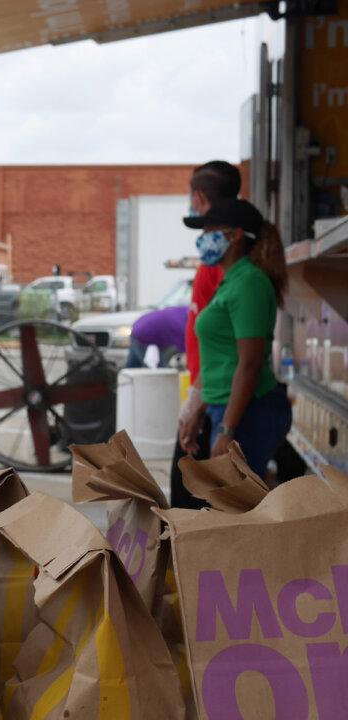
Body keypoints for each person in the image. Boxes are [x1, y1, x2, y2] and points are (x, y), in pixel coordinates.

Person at [179, 199, 292, 479]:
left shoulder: (249, 283)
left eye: (209, 232)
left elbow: (250, 363)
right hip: (228, 409)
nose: (203, 239)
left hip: (247, 413)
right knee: (228, 498)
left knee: (236, 501)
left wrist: (227, 430)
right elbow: (220, 357)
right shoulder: (231, 280)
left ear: (235, 235)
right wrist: (198, 408)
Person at [171, 160, 240, 508]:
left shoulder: (225, 262)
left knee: (189, 501)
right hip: (209, 392)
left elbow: (230, 343)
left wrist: (196, 403)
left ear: (198, 197)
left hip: (214, 396)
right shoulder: (220, 258)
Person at [125, 305, 187, 369]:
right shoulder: (182, 325)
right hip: (143, 332)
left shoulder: (184, 312)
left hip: (139, 326)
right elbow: (186, 348)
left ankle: (126, 374)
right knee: (160, 369)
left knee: (132, 366)